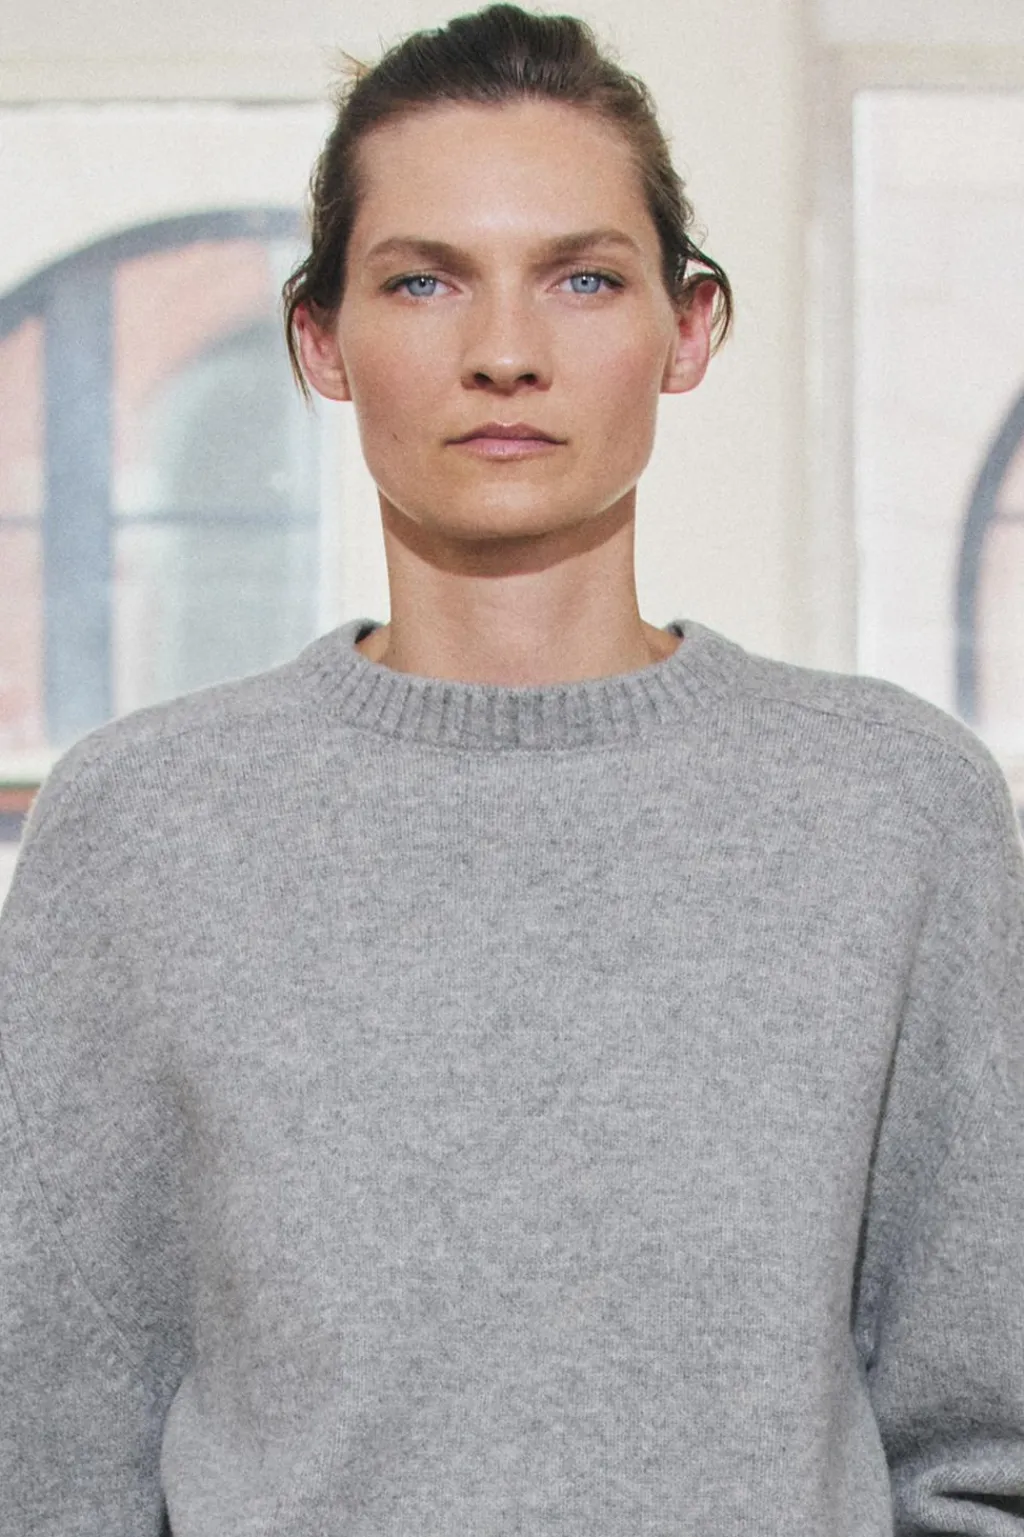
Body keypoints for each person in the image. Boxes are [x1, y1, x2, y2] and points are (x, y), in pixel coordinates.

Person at [1, 5, 1022, 1533]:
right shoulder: (143, 830)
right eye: (423, 280)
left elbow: (985, 1446)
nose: (503, 354)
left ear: (689, 328)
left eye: (583, 278)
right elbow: (50, 1458)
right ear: (320, 340)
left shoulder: (896, 814)